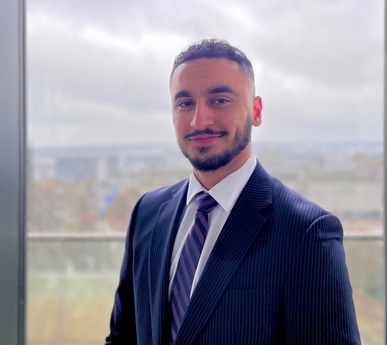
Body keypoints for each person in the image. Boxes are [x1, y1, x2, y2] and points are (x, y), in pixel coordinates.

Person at [105, 38, 361, 345]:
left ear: (256, 111)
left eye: (220, 100)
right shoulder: (148, 212)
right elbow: (123, 337)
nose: (200, 120)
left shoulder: (305, 232)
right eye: (185, 103)